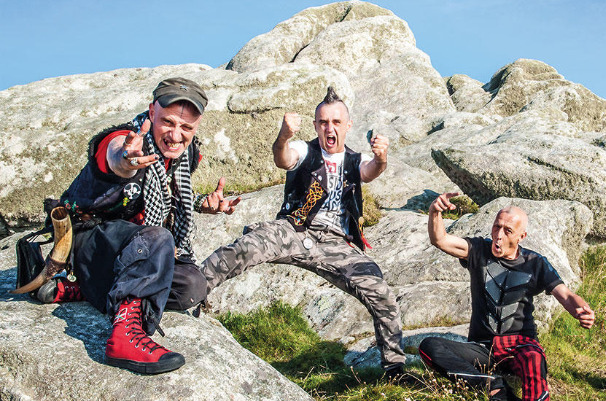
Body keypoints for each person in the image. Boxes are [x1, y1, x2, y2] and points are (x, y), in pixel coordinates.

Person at [35, 77, 239, 374]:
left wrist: (201, 203)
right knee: (157, 239)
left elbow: (165, 196)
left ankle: (85, 289)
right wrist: (126, 160)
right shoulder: (125, 139)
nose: (176, 135)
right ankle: (125, 338)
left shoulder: (185, 155)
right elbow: (115, 157)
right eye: (168, 122)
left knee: (191, 285)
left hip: (128, 250)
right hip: (88, 241)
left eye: (186, 127)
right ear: (151, 112)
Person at [200, 87, 406, 376]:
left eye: (336, 122)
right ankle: (190, 292)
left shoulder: (354, 160)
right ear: (315, 125)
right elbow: (283, 158)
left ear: (348, 125)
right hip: (296, 229)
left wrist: (382, 158)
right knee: (246, 247)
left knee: (380, 290)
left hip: (337, 243)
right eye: (323, 122)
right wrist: (284, 136)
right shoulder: (305, 150)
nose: (329, 128)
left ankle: (395, 368)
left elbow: (370, 171)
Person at [418, 193, 595, 401]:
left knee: (534, 358)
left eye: (507, 230)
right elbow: (440, 240)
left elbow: (565, 294)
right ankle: (492, 386)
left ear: (521, 236)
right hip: (483, 348)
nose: (499, 235)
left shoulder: (535, 263)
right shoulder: (478, 250)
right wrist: (435, 212)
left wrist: (580, 309)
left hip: (521, 345)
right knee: (429, 346)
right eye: (496, 227)